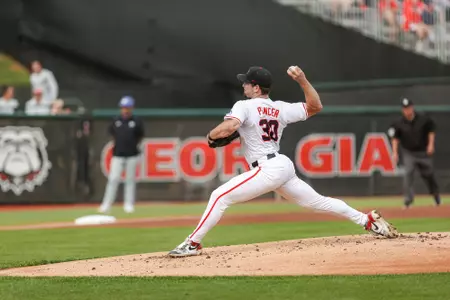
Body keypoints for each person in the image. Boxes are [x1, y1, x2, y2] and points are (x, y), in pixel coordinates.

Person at [168, 66, 399, 257]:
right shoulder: (280, 108)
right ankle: (367, 221)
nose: (243, 86)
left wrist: (210, 136)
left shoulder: (244, 106)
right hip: (281, 165)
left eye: (247, 83)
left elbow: (231, 126)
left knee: (219, 196)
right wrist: (303, 81)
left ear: (256, 87)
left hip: (267, 168)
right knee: (318, 202)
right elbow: (315, 106)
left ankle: (193, 243)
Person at [388, 98, 440, 209]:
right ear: (402, 110)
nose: (407, 110)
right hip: (409, 152)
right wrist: (395, 152)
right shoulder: (398, 123)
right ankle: (408, 201)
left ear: (412, 107)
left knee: (429, 175)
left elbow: (431, 130)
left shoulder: (423, 119)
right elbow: (395, 138)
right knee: (408, 174)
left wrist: (431, 144)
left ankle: (436, 198)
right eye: (405, 108)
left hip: (423, 152)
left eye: (409, 108)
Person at [99, 96, 144, 213]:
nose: (125, 110)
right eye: (124, 107)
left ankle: (128, 204)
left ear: (132, 108)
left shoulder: (136, 121)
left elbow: (140, 136)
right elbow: (112, 134)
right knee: (113, 179)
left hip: (132, 155)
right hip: (118, 154)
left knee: (130, 180)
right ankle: (106, 204)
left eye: (128, 107)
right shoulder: (116, 121)